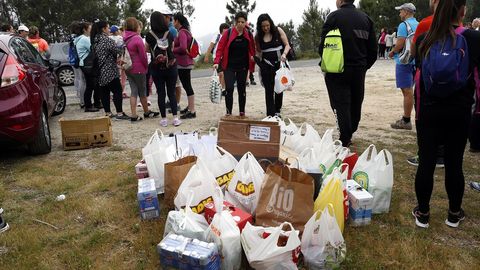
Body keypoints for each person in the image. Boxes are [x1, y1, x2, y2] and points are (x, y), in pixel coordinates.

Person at [412, 0, 480, 229]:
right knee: (454, 164)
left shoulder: (424, 40)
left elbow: (419, 76)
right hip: (459, 112)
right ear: (462, 10)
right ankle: (453, 214)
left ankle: (422, 213)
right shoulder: (472, 38)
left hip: (428, 111)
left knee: (426, 162)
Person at [319, 0, 377, 147]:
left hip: (336, 70)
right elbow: (373, 50)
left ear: (341, 0)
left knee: (341, 103)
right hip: (358, 69)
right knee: (356, 102)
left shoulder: (333, 17)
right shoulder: (366, 19)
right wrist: (363, 66)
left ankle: (345, 137)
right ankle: (350, 131)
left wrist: (327, 64)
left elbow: (322, 47)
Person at [406, 0, 445, 167]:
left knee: (424, 117)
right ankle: (443, 154)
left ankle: (425, 155)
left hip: (427, 79)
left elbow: (413, 51)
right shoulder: (460, 27)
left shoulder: (426, 23)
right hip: (453, 81)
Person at [214, 11, 256, 117]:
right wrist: (216, 61)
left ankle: (242, 112)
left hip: (243, 66)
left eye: (243, 22)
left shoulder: (248, 34)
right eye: (239, 22)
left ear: (245, 22)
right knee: (229, 89)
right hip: (229, 66)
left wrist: (253, 57)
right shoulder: (228, 33)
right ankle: (229, 112)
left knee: (242, 89)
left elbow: (252, 48)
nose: (241, 24)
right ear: (235, 22)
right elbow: (220, 48)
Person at [146, 11, 182, 127]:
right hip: (171, 66)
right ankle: (175, 118)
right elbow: (171, 47)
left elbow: (147, 49)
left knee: (161, 93)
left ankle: (164, 119)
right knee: (171, 92)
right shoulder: (169, 33)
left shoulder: (149, 34)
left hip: (156, 68)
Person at [388, 3, 419, 130]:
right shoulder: (418, 24)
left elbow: (400, 42)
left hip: (403, 61)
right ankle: (409, 118)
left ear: (406, 12)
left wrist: (393, 51)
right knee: (411, 90)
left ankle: (406, 120)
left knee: (407, 92)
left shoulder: (403, 25)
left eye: (400, 11)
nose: (399, 14)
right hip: (415, 61)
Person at [91, 20, 129, 120]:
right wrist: (122, 46)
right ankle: (120, 113)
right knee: (117, 91)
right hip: (109, 70)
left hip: (99, 71)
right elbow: (117, 50)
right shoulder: (106, 40)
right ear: (103, 29)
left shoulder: (95, 40)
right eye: (108, 28)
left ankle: (108, 113)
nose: (109, 30)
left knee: (104, 92)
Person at [123, 17, 160, 122]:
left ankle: (134, 115)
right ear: (135, 26)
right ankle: (146, 112)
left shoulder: (125, 38)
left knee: (133, 91)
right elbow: (143, 56)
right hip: (139, 68)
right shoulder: (137, 38)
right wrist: (146, 66)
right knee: (142, 91)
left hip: (128, 68)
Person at [255, 13, 291, 117]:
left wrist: (284, 54)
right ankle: (270, 114)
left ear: (270, 23)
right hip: (266, 66)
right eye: (263, 26)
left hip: (279, 64)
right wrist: (255, 59)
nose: (266, 28)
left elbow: (287, 45)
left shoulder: (278, 31)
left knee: (279, 88)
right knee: (268, 90)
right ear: (260, 26)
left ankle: (277, 111)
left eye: (267, 25)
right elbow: (258, 52)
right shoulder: (258, 36)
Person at [173, 13, 197, 119]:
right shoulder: (186, 31)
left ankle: (192, 111)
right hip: (187, 62)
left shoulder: (182, 32)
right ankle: (190, 107)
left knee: (187, 86)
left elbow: (183, 48)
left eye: (174, 20)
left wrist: (173, 50)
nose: (173, 23)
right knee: (187, 86)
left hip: (183, 64)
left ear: (177, 21)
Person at [76, 21, 102, 112]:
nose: (91, 30)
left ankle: (96, 103)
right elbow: (94, 48)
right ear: (84, 29)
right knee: (90, 85)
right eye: (90, 29)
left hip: (86, 64)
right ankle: (88, 106)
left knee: (94, 84)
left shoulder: (80, 38)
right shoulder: (84, 39)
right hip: (88, 65)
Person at [160, 9, 183, 112]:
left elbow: (174, 46)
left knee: (176, 84)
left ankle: (177, 103)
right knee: (172, 84)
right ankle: (172, 101)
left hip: (174, 60)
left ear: (168, 17)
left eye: (163, 16)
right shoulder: (167, 28)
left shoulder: (172, 30)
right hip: (170, 61)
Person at [205, 23, 230, 95]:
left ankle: (222, 89)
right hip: (216, 58)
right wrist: (206, 56)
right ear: (222, 30)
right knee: (220, 74)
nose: (227, 31)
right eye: (226, 29)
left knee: (224, 73)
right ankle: (219, 88)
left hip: (225, 58)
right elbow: (210, 47)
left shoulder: (228, 37)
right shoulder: (216, 36)